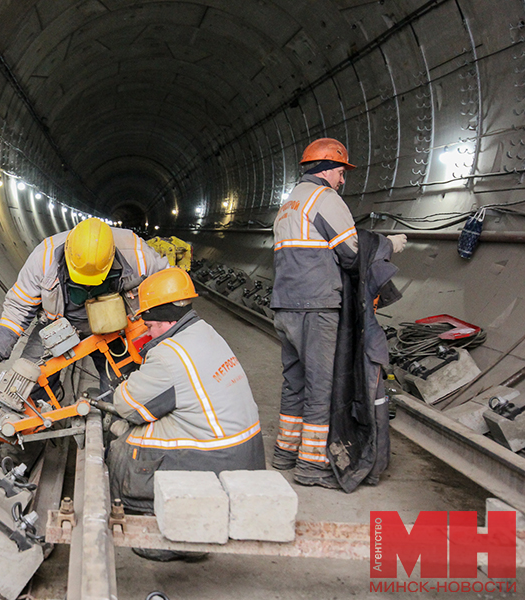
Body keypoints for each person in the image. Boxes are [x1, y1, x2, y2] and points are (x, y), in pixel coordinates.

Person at [271, 138, 406, 488]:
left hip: (285, 305)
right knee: (321, 386)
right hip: (316, 307)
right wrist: (389, 245)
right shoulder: (325, 199)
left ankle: (285, 452)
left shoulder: (289, 203)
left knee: (294, 381)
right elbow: (350, 253)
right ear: (330, 169)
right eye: (342, 172)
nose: (343, 179)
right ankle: (312, 465)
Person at [107, 268, 265, 521]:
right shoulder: (205, 331)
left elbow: (128, 406)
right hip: (248, 454)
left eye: (148, 325)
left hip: (218, 459)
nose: (147, 333)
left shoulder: (169, 354)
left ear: (163, 317)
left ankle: (154, 516)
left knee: (126, 441)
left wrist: (129, 381)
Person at [0, 218, 169, 388]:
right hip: (58, 326)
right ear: (67, 252)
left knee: (123, 388)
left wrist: (159, 329)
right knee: (26, 383)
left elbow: (170, 289)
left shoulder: (138, 253)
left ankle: (116, 423)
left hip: (114, 329)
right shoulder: (43, 258)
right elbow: (18, 308)